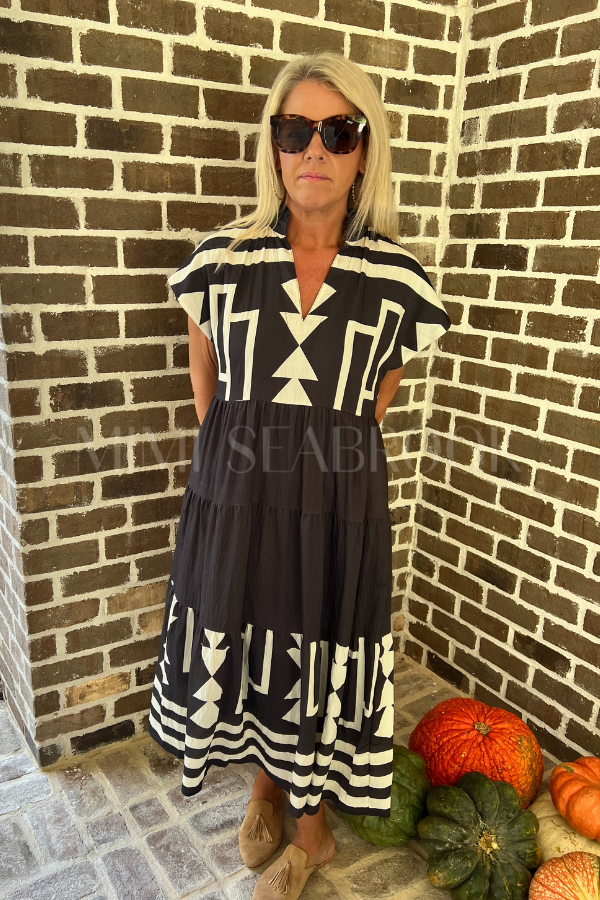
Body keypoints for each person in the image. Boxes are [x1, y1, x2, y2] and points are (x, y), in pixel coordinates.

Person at [148, 50, 451, 900]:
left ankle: (312, 834)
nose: (314, 148)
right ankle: (263, 788)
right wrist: (240, 463)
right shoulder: (220, 261)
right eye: (295, 130)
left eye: (338, 131)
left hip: (335, 498)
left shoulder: (397, 279)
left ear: (364, 149)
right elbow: (206, 381)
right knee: (248, 634)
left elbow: (375, 397)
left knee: (312, 642)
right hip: (238, 493)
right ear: (274, 146)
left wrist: (316, 468)